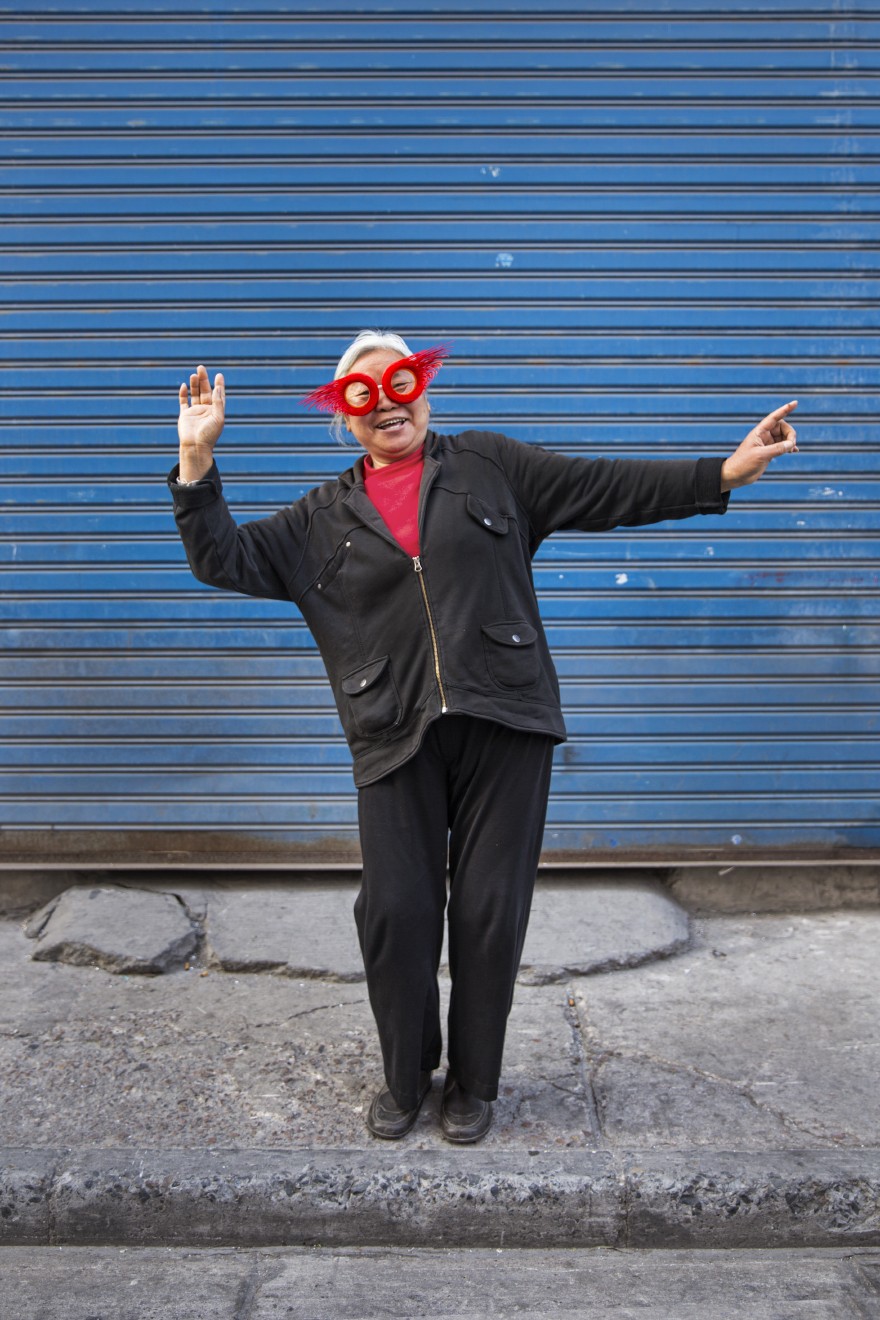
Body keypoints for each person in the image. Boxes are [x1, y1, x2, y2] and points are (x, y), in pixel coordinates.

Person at [169, 331, 798, 1144]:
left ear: (424, 388)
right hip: (392, 729)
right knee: (395, 910)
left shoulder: (491, 465)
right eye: (364, 395)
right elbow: (221, 557)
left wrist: (722, 473)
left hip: (506, 716)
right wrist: (196, 459)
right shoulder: (317, 520)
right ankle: (406, 1076)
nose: (387, 403)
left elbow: (605, 485)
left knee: (489, 910)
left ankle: (474, 1081)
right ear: (345, 419)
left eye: (400, 383)